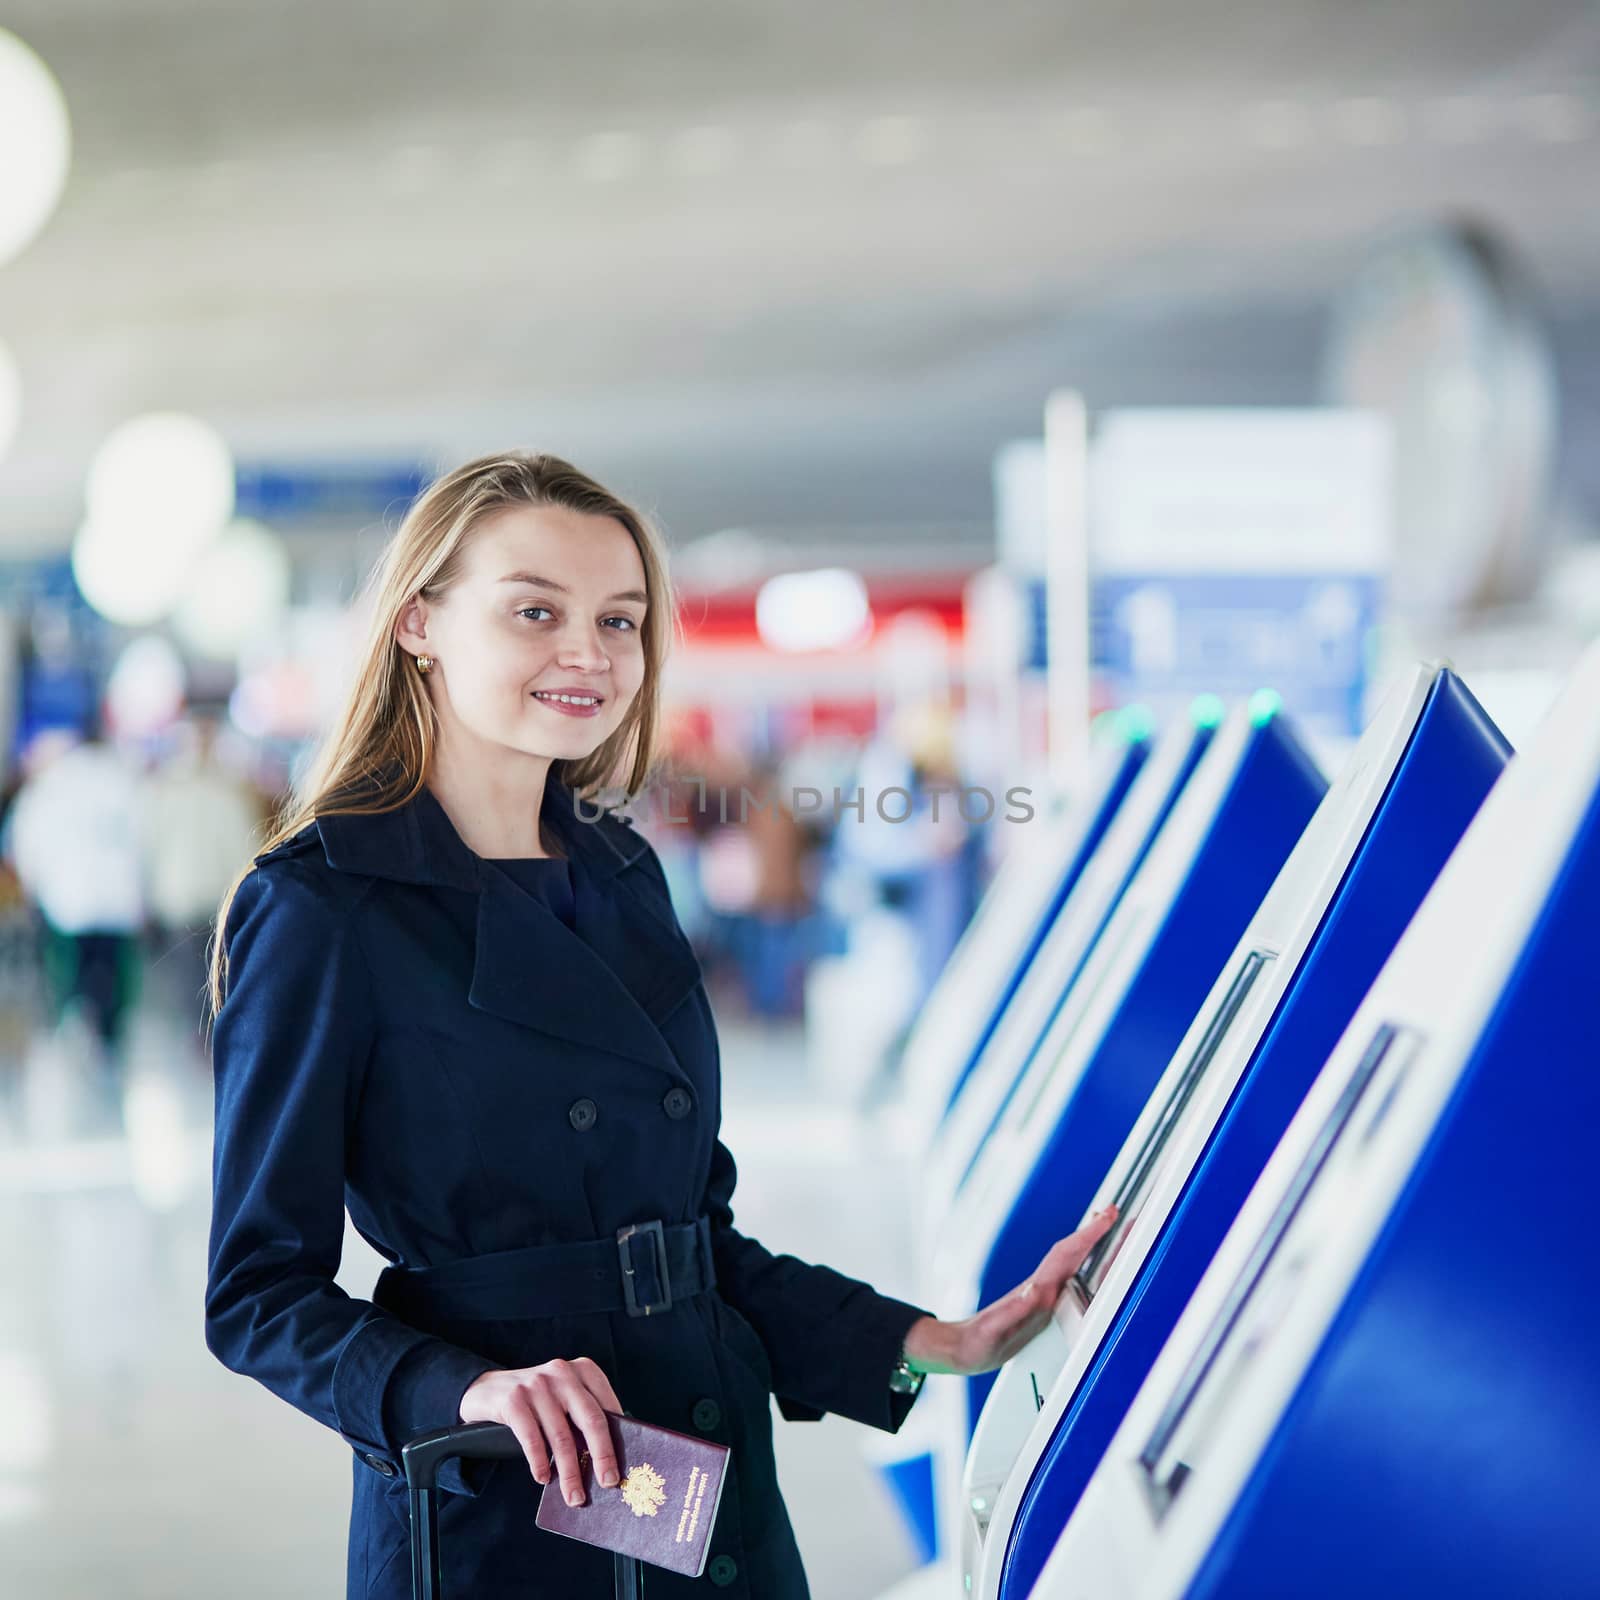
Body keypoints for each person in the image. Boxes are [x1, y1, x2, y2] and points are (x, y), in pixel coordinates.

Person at [201, 452, 1115, 1600]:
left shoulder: (620, 867)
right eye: (536, 610)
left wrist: (935, 1340)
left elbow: (688, 1242)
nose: (588, 652)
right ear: (420, 622)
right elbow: (256, 1293)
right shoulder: (325, 902)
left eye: (620, 619)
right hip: (513, 1492)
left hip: (695, 1461)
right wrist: (460, 1389)